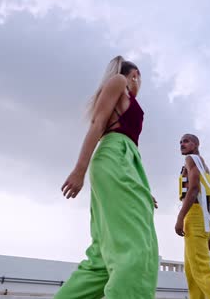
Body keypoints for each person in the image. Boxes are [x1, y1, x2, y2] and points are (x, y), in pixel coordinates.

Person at [56, 56, 159, 299]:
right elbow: (98, 122)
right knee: (137, 246)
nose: (139, 81)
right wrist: (79, 170)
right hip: (115, 157)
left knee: (102, 257)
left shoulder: (128, 95)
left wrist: (143, 188)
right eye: (139, 77)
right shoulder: (119, 81)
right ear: (135, 74)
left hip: (126, 162)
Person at [176, 133, 210, 299]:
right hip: (204, 217)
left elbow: (194, 190)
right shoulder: (203, 165)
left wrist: (180, 217)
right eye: (180, 142)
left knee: (201, 270)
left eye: (186, 141)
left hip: (194, 216)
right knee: (192, 272)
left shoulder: (191, 159)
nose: (182, 144)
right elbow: (208, 198)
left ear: (196, 144)